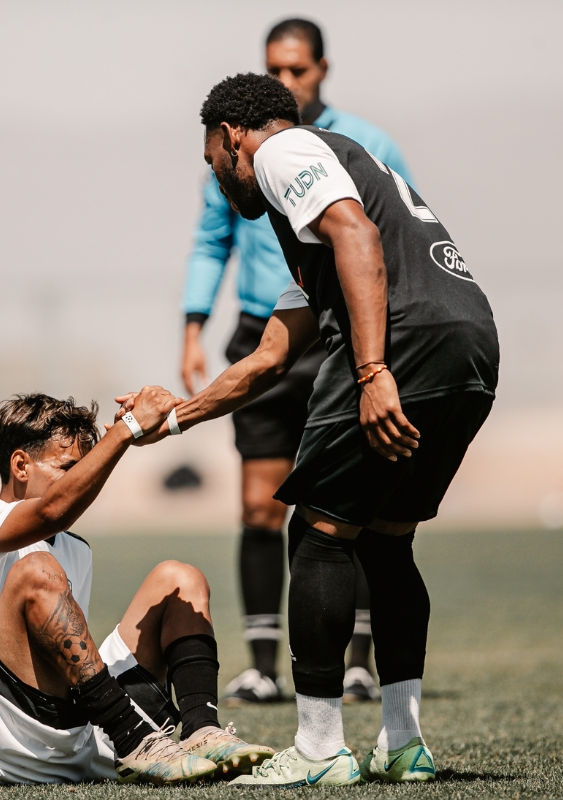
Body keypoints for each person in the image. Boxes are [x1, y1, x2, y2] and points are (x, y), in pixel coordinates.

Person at [121, 73, 498, 785]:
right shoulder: (320, 212)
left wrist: (372, 371)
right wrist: (172, 416)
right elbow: (268, 358)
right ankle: (403, 743)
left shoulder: (284, 153)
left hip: (407, 338)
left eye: (210, 160)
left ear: (231, 137)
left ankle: (322, 749)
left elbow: (357, 236)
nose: (216, 175)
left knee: (317, 533)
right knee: (386, 539)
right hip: (470, 341)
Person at [181, 18, 412, 706]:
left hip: (341, 332)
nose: (287, 81)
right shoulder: (239, 155)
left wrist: (375, 363)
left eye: (298, 70)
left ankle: (356, 665)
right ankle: (260, 665)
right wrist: (193, 327)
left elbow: (386, 235)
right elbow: (210, 238)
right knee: (259, 506)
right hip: (269, 328)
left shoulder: (363, 143)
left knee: (349, 509)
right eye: (274, 69)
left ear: (323, 70)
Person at [0, 392, 273, 785]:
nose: (81, 479)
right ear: (21, 464)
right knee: (37, 571)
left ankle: (201, 732)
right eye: (68, 468)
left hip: (78, 739)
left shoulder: (74, 548)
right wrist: (127, 431)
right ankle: (134, 738)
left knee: (179, 578)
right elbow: (49, 511)